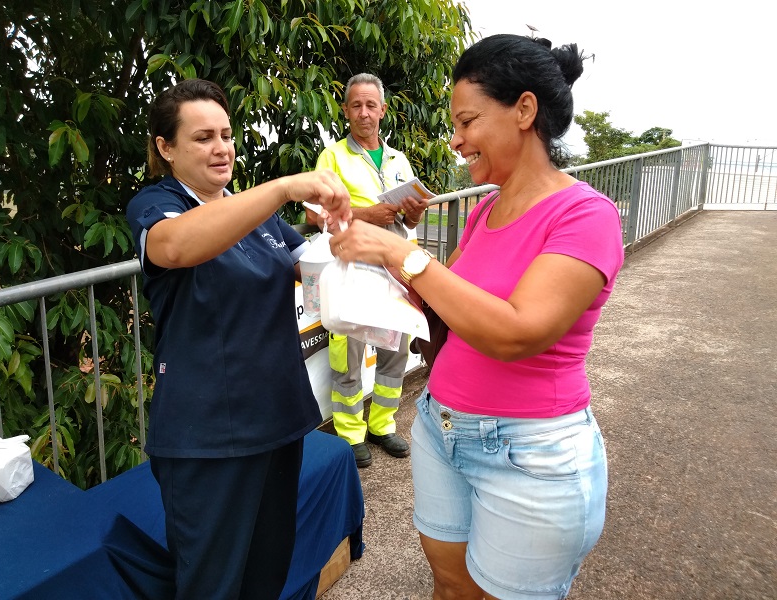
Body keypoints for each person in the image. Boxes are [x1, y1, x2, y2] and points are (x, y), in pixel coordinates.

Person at [328, 34, 624, 599]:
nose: (456, 140)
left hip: (530, 452)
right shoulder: (485, 208)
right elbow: (446, 303)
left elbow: (517, 332)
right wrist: (370, 274)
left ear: (524, 111)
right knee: (450, 584)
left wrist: (401, 254)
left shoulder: (586, 214)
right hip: (444, 431)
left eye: (467, 122)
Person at [125, 78, 351, 600]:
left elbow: (315, 263)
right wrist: (282, 187)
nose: (221, 148)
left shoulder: (256, 215)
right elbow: (177, 248)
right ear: (166, 148)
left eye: (226, 134)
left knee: (267, 572)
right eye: (203, 137)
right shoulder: (155, 205)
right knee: (213, 584)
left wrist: (368, 235)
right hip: (209, 437)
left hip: (277, 419)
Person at [314, 73, 429, 468]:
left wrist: (412, 212)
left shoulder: (398, 158)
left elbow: (409, 222)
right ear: (346, 111)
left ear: (382, 110)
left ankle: (382, 425)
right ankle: (350, 433)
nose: (364, 113)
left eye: (371, 105)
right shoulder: (331, 157)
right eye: (356, 105)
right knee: (348, 349)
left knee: (395, 349)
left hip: (397, 267)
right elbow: (316, 214)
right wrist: (368, 214)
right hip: (355, 266)